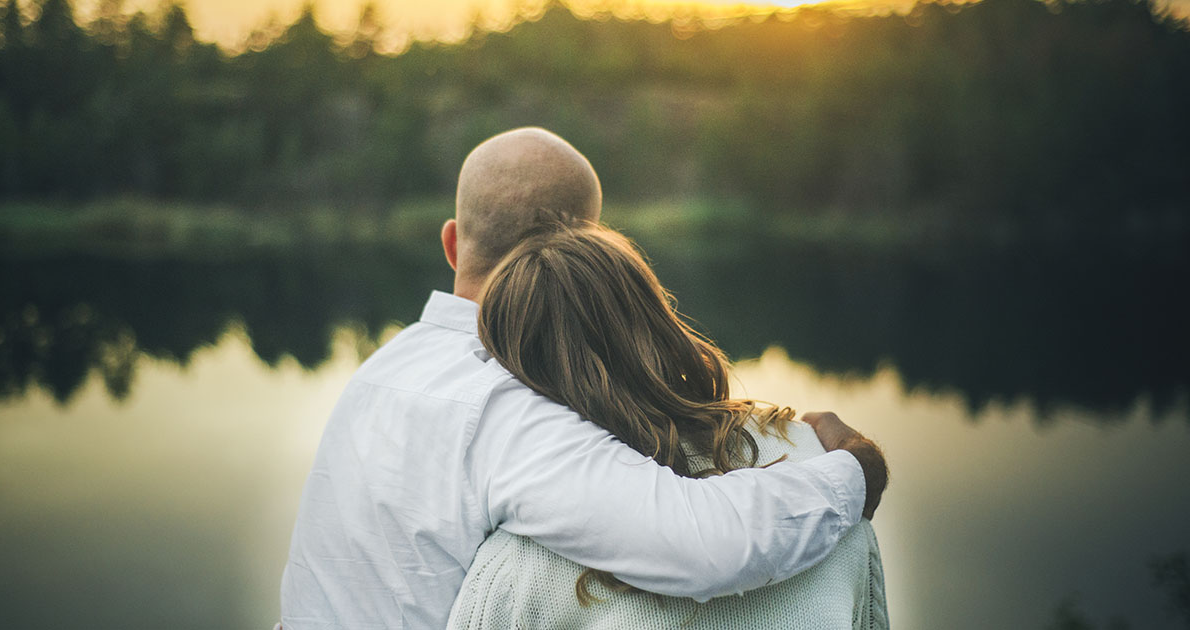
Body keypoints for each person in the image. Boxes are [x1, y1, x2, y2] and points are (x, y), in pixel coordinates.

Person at [279, 127, 886, 630]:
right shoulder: (508, 402)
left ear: (452, 242)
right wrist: (854, 471)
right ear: (581, 259)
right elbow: (701, 544)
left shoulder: (383, 367)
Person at [448, 224, 888, 628]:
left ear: (519, 366)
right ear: (656, 315)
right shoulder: (821, 462)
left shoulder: (515, 563)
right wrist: (859, 464)